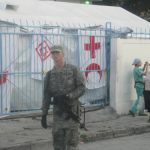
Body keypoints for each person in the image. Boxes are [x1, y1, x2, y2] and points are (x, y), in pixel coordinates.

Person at [41, 45, 85, 150]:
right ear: (51, 56)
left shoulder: (73, 70)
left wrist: (69, 96)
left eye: (57, 53)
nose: (55, 55)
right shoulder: (49, 74)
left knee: (72, 144)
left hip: (71, 113)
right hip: (58, 115)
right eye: (53, 53)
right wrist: (44, 114)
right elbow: (46, 95)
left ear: (63, 54)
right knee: (58, 145)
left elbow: (82, 88)